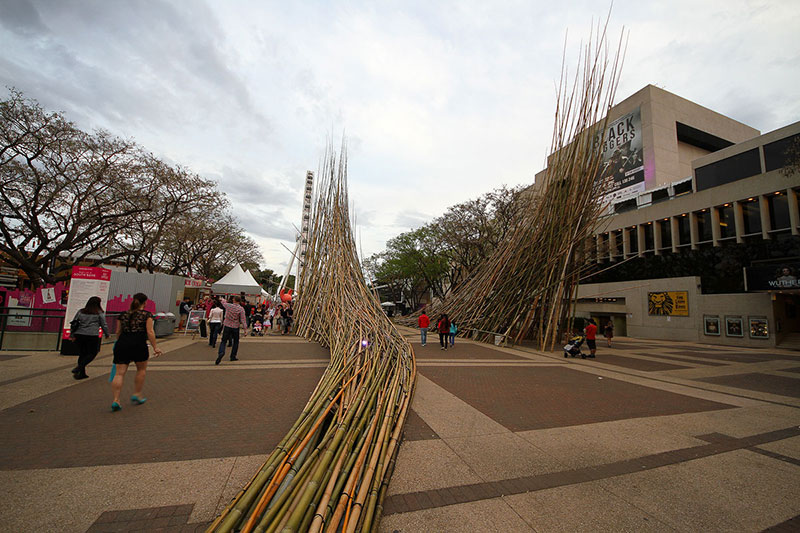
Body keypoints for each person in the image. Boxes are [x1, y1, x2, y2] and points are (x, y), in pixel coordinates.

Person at [111, 293, 162, 412]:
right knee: (141, 370)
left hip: (122, 344)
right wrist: (155, 347)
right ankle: (137, 393)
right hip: (139, 344)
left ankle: (116, 400)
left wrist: (117, 342)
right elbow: (150, 332)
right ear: (145, 302)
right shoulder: (146, 315)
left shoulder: (123, 315)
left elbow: (118, 331)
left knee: (119, 373)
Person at [70, 296, 110, 380]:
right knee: (93, 352)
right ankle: (79, 367)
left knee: (82, 353)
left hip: (79, 334)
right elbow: (104, 324)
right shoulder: (99, 312)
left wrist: (72, 334)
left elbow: (74, 322)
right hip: (92, 335)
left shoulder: (81, 311)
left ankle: (82, 373)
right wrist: (107, 334)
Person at [216, 295, 247, 365]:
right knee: (236, 341)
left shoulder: (228, 306)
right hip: (235, 326)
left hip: (227, 325)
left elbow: (223, 302)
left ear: (234, 300)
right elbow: (243, 319)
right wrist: (245, 330)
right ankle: (233, 356)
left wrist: (222, 298)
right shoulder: (241, 309)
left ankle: (221, 352)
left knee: (223, 340)